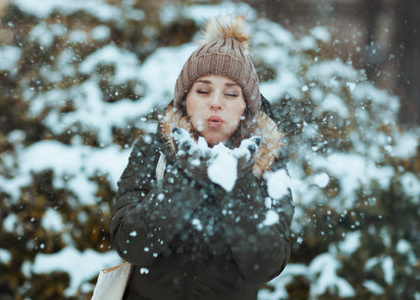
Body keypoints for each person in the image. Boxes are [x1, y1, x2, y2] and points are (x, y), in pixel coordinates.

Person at [110, 16, 294, 300]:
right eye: (203, 90)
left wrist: (238, 179)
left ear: (247, 106)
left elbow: (264, 266)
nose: (216, 102)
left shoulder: (267, 164)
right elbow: (131, 245)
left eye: (231, 93)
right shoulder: (153, 150)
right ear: (185, 100)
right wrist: (186, 175)